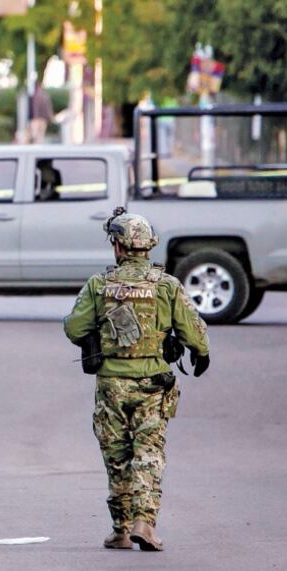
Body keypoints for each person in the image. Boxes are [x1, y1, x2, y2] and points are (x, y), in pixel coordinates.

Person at [63, 208, 210, 551]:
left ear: (117, 246)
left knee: (117, 455)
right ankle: (146, 521)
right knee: (148, 452)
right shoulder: (167, 285)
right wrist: (201, 353)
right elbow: (195, 334)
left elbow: (74, 328)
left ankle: (121, 529)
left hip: (111, 384)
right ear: (148, 247)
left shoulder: (99, 285)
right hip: (152, 383)